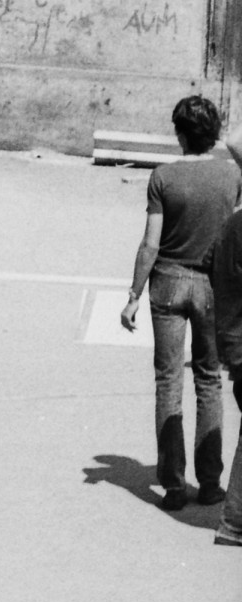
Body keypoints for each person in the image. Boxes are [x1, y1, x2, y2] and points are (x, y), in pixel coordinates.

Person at [120, 95, 239, 511]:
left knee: (169, 382)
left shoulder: (163, 177)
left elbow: (150, 243)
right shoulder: (230, 176)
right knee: (209, 380)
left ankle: (173, 485)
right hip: (212, 288)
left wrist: (133, 295)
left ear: (180, 134)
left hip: (167, 285)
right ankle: (210, 482)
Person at [203, 150, 242, 544]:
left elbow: (211, 263)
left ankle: (233, 524)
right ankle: (232, 524)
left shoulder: (232, 225)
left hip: (233, 344)